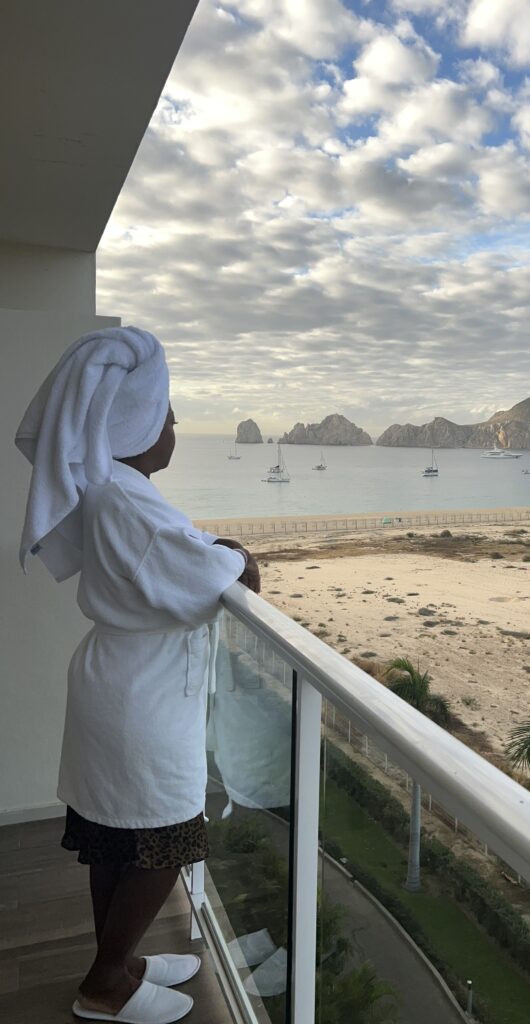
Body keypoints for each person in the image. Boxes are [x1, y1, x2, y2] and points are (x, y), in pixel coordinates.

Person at [15, 327, 261, 1024]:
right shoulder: (126, 499)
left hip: (120, 680)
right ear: (139, 426)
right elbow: (193, 573)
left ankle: (120, 961)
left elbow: (177, 551)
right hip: (142, 696)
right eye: (171, 418)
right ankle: (103, 985)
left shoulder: (113, 489)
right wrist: (235, 561)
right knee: (166, 836)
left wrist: (214, 548)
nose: (177, 428)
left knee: (117, 834)